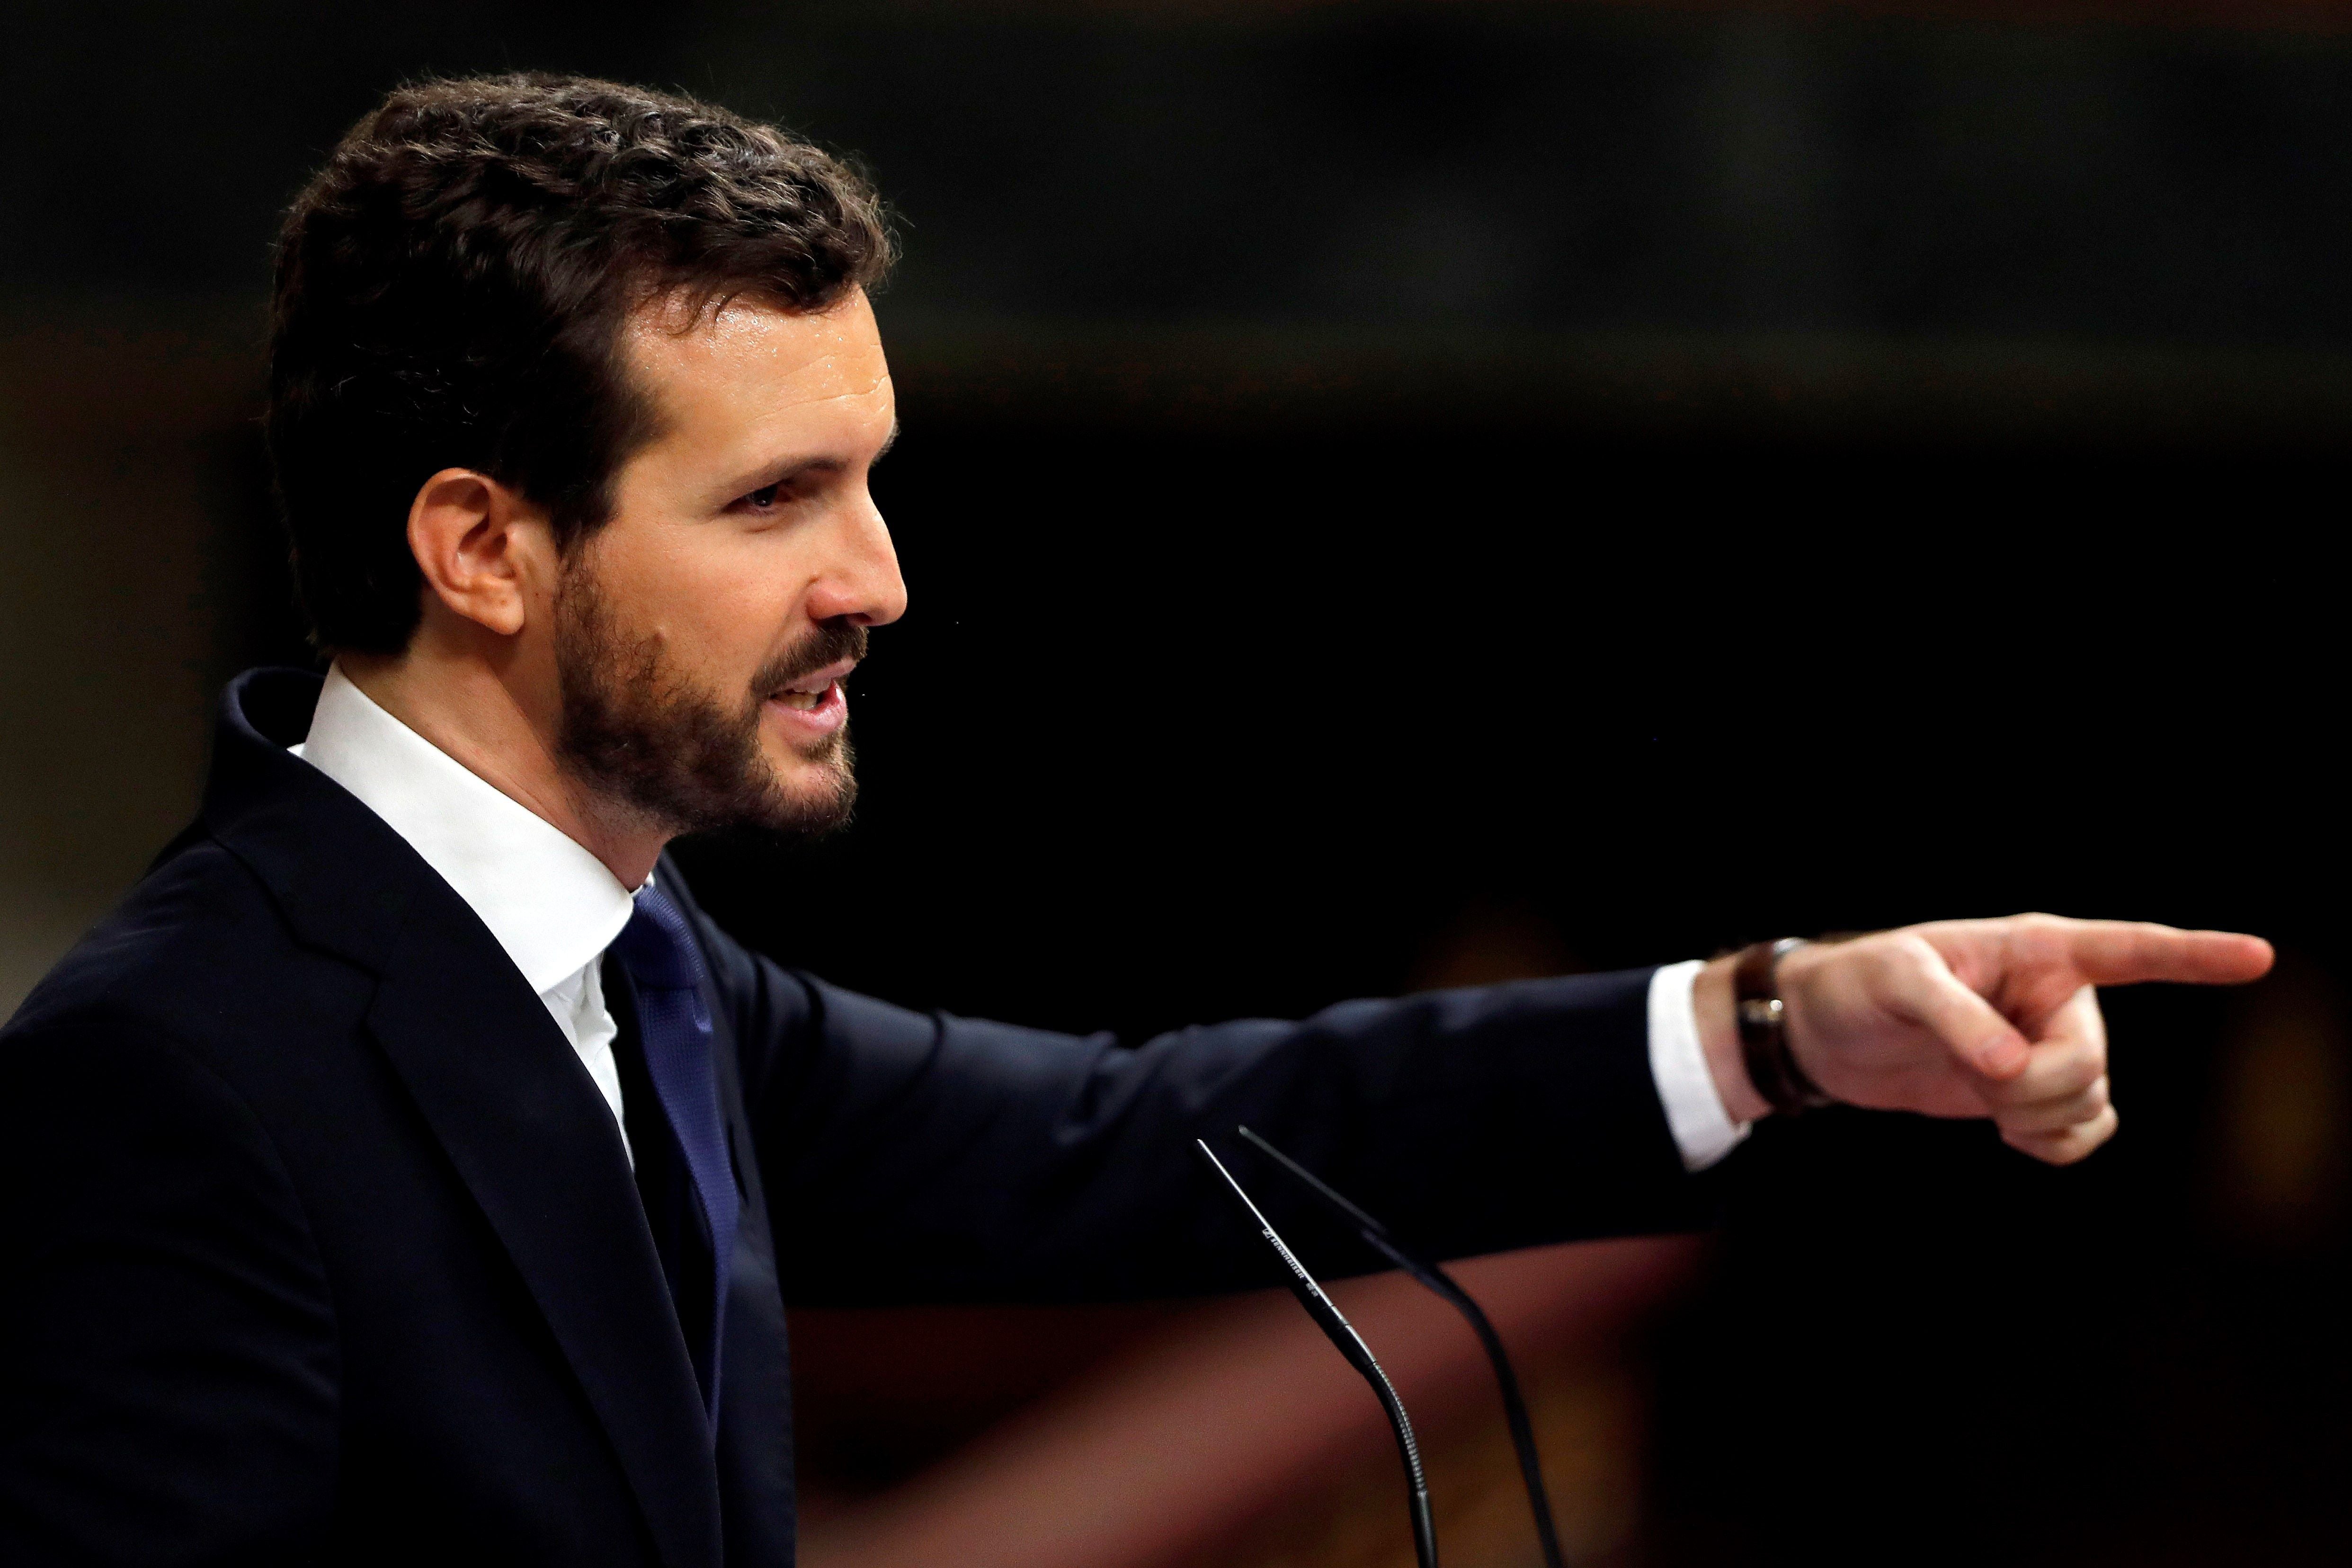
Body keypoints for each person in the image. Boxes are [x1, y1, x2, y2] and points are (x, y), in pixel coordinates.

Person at [0, 73, 2271, 1568]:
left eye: (873, 481)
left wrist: (1778, 1026)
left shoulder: (641, 969)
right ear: (483, 548)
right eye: (778, 498)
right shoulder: (176, 1073)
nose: (880, 579)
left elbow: (1145, 1137)